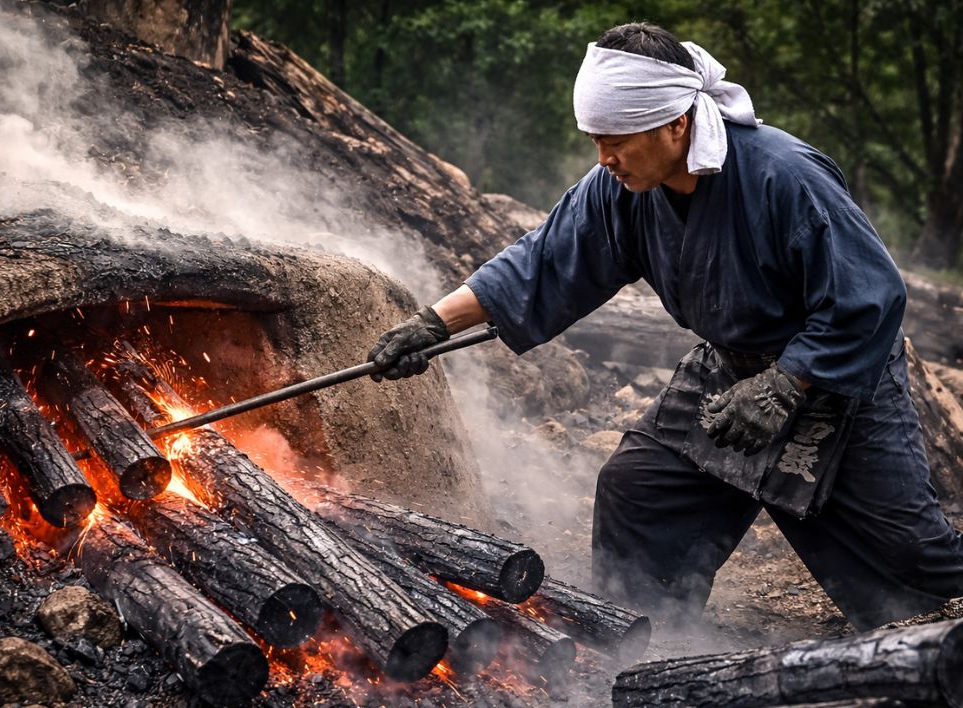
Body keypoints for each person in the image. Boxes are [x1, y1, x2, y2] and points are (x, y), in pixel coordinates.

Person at [368, 22, 963, 630]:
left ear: (676, 123)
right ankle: (644, 642)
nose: (604, 159)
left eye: (617, 142)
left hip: (834, 377)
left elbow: (868, 295)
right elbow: (541, 261)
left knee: (913, 557)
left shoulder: (783, 176)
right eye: (596, 141)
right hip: (728, 370)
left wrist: (786, 385)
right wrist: (432, 324)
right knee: (641, 491)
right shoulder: (619, 188)